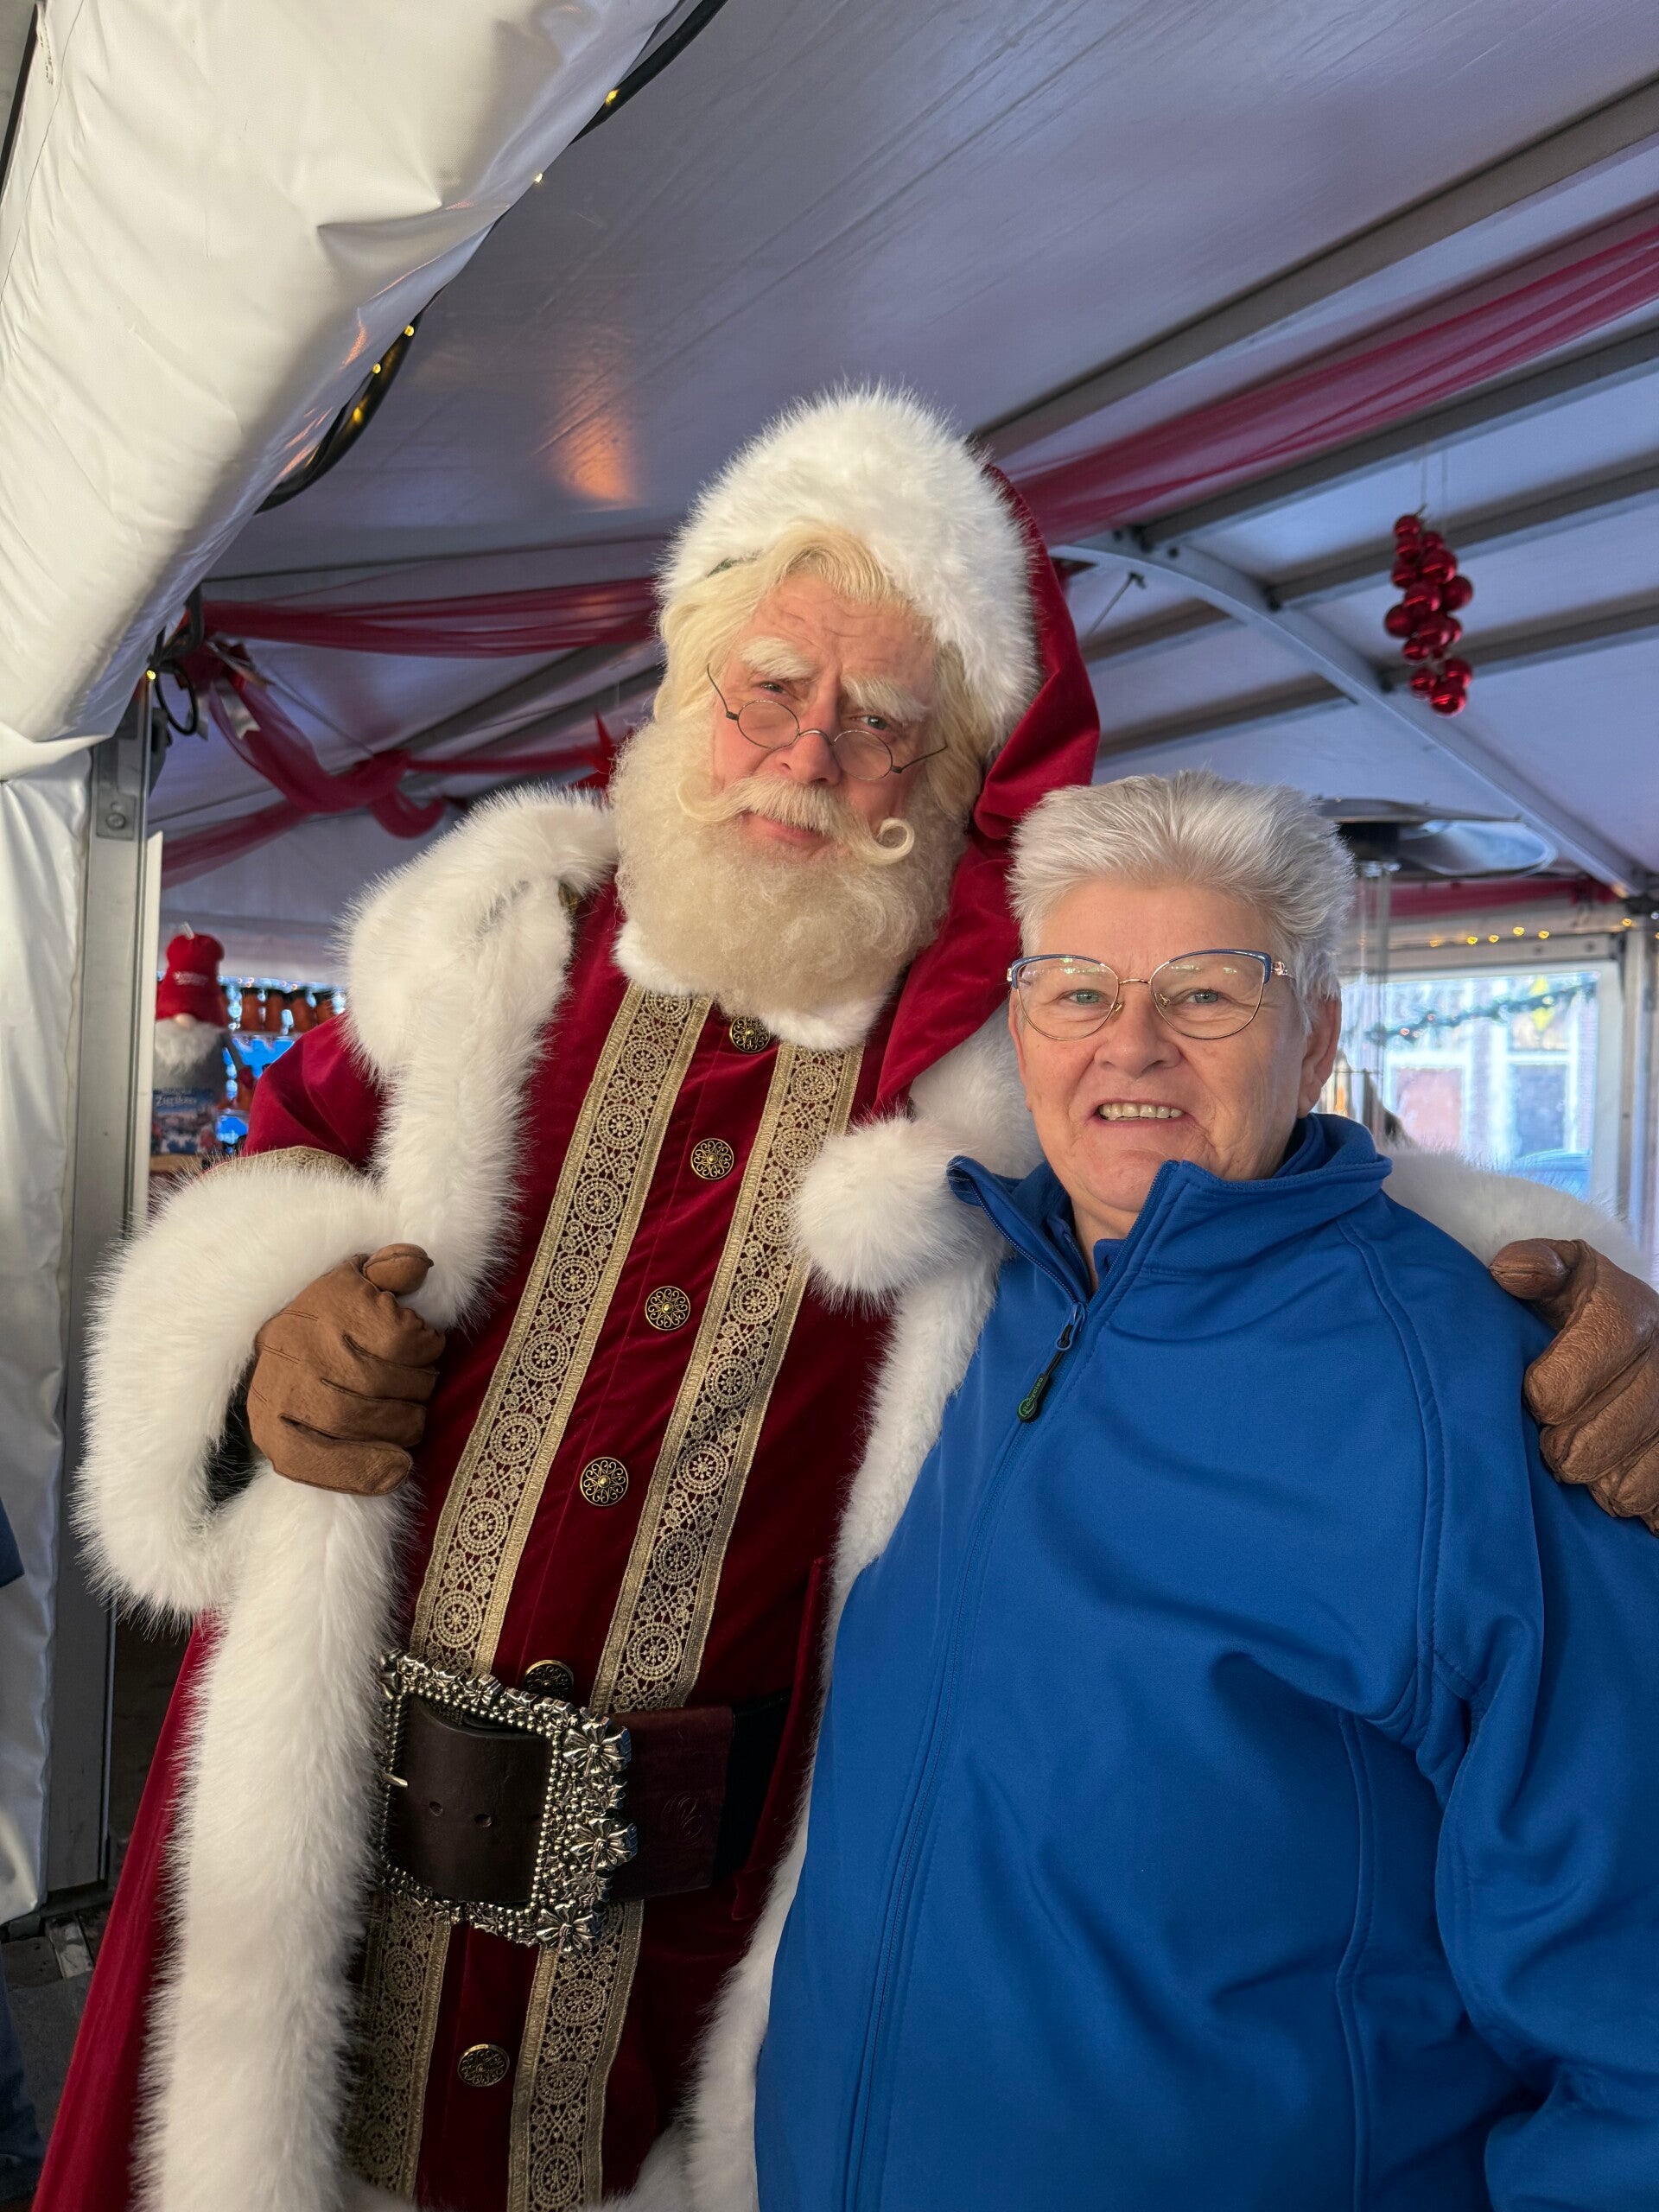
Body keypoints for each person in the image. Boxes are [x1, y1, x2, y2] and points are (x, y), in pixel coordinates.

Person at [37, 398, 1659, 2212]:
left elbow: (1239, 1146)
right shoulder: (490, 947)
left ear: (954, 780)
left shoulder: (993, 1050)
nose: (809, 753)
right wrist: (257, 1348)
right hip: (341, 1903)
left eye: (883, 721)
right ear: (684, 686)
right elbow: (269, 1182)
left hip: (685, 1993)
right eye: (769, 687)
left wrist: (1593, 1302)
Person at [740, 772, 1659, 2211]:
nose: (1134, 1043)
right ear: (1022, 1025)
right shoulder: (964, 1309)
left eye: (1209, 993)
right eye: (1078, 991)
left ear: (1316, 1040)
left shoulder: (1477, 1402)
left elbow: (1634, 2023)